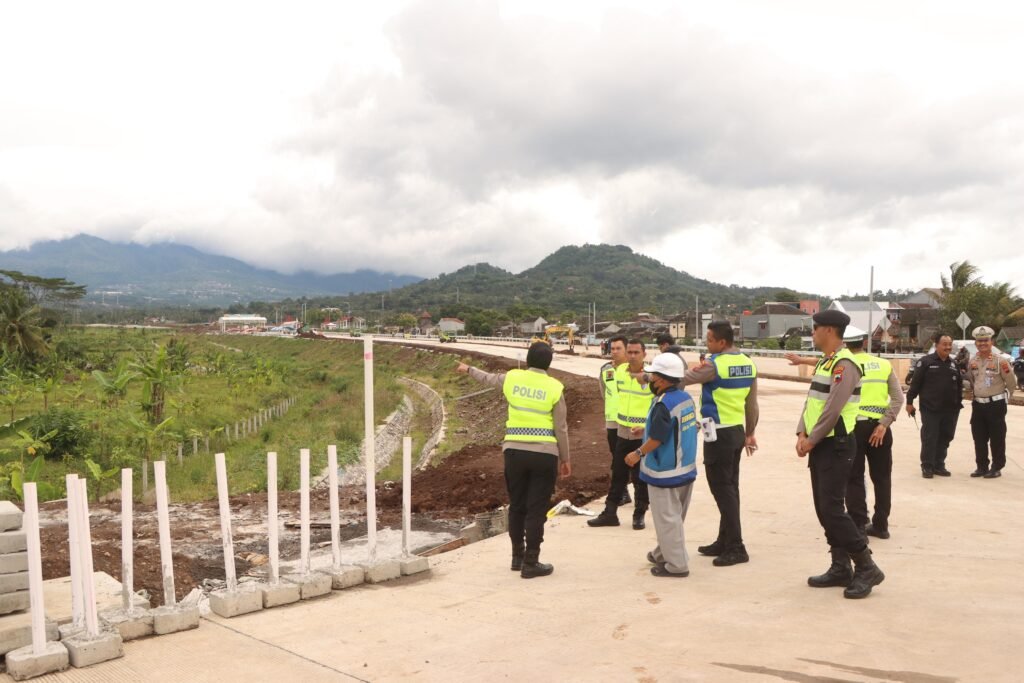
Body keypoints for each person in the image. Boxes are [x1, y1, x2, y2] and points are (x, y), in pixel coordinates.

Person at [456, 342, 571, 578]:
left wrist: (468, 369)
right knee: (536, 510)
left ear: (528, 359)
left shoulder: (513, 378)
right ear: (549, 363)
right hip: (544, 454)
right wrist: (565, 458)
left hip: (514, 452)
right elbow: (561, 427)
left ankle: (517, 558)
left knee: (517, 506)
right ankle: (532, 562)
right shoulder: (554, 387)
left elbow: (487, 378)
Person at [796, 309, 884, 600]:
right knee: (824, 509)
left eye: (815, 328)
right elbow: (814, 401)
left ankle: (866, 565)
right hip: (821, 444)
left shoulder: (845, 365)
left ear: (830, 330)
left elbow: (834, 408)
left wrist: (812, 439)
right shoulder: (826, 361)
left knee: (833, 509)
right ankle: (839, 566)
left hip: (837, 444)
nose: (813, 333)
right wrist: (801, 432)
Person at [678, 321, 759, 567]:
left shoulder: (714, 366)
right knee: (731, 489)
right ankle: (724, 540)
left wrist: (648, 377)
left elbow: (681, 379)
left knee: (722, 490)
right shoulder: (748, 363)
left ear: (722, 342)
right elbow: (751, 403)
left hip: (719, 435)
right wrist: (750, 432)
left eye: (710, 339)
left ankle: (736, 546)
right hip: (736, 432)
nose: (707, 343)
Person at [623, 353, 699, 577]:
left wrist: (637, 453)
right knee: (674, 517)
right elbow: (671, 428)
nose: (651, 381)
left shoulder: (663, 404)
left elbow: (658, 439)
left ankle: (677, 565)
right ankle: (662, 553)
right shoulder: (684, 399)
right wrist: (644, 430)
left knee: (667, 518)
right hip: (685, 468)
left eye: (654, 377)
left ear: (664, 380)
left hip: (664, 471)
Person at [842, 326, 903, 539]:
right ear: (864, 343)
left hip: (853, 428)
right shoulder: (884, 365)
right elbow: (898, 399)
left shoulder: (844, 365)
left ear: (844, 344)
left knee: (854, 477)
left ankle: (859, 526)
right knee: (882, 477)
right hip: (880, 428)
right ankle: (881, 525)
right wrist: (884, 424)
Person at [589, 339, 653, 530]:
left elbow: (658, 403)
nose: (632, 356)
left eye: (636, 352)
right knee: (618, 474)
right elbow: (610, 394)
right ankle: (610, 513)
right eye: (630, 352)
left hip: (642, 434)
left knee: (640, 477)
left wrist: (646, 426)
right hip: (622, 431)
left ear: (644, 354)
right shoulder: (618, 372)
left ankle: (639, 513)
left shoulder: (651, 375)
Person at [905, 333, 962, 478]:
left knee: (946, 437)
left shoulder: (954, 364)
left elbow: (959, 386)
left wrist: (958, 405)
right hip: (930, 409)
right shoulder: (925, 362)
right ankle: (927, 466)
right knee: (930, 437)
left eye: (950, 344)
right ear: (936, 345)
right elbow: (915, 384)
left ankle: (939, 465)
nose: (947, 347)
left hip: (950, 410)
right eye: (944, 344)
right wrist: (909, 402)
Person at [965, 326, 1015, 478]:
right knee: (978, 436)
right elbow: (973, 380)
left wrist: (1006, 397)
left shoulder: (1001, 361)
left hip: (995, 404)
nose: (982, 344)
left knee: (997, 437)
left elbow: (1011, 382)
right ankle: (981, 466)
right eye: (979, 341)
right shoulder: (973, 361)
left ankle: (997, 467)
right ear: (976, 343)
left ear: (991, 342)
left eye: (985, 340)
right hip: (978, 404)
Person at [600, 335, 632, 504]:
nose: (614, 352)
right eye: (612, 348)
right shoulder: (606, 369)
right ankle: (623, 492)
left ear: (626, 350)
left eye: (618, 348)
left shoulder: (633, 370)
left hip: (631, 420)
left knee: (633, 456)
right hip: (613, 420)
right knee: (616, 457)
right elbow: (603, 392)